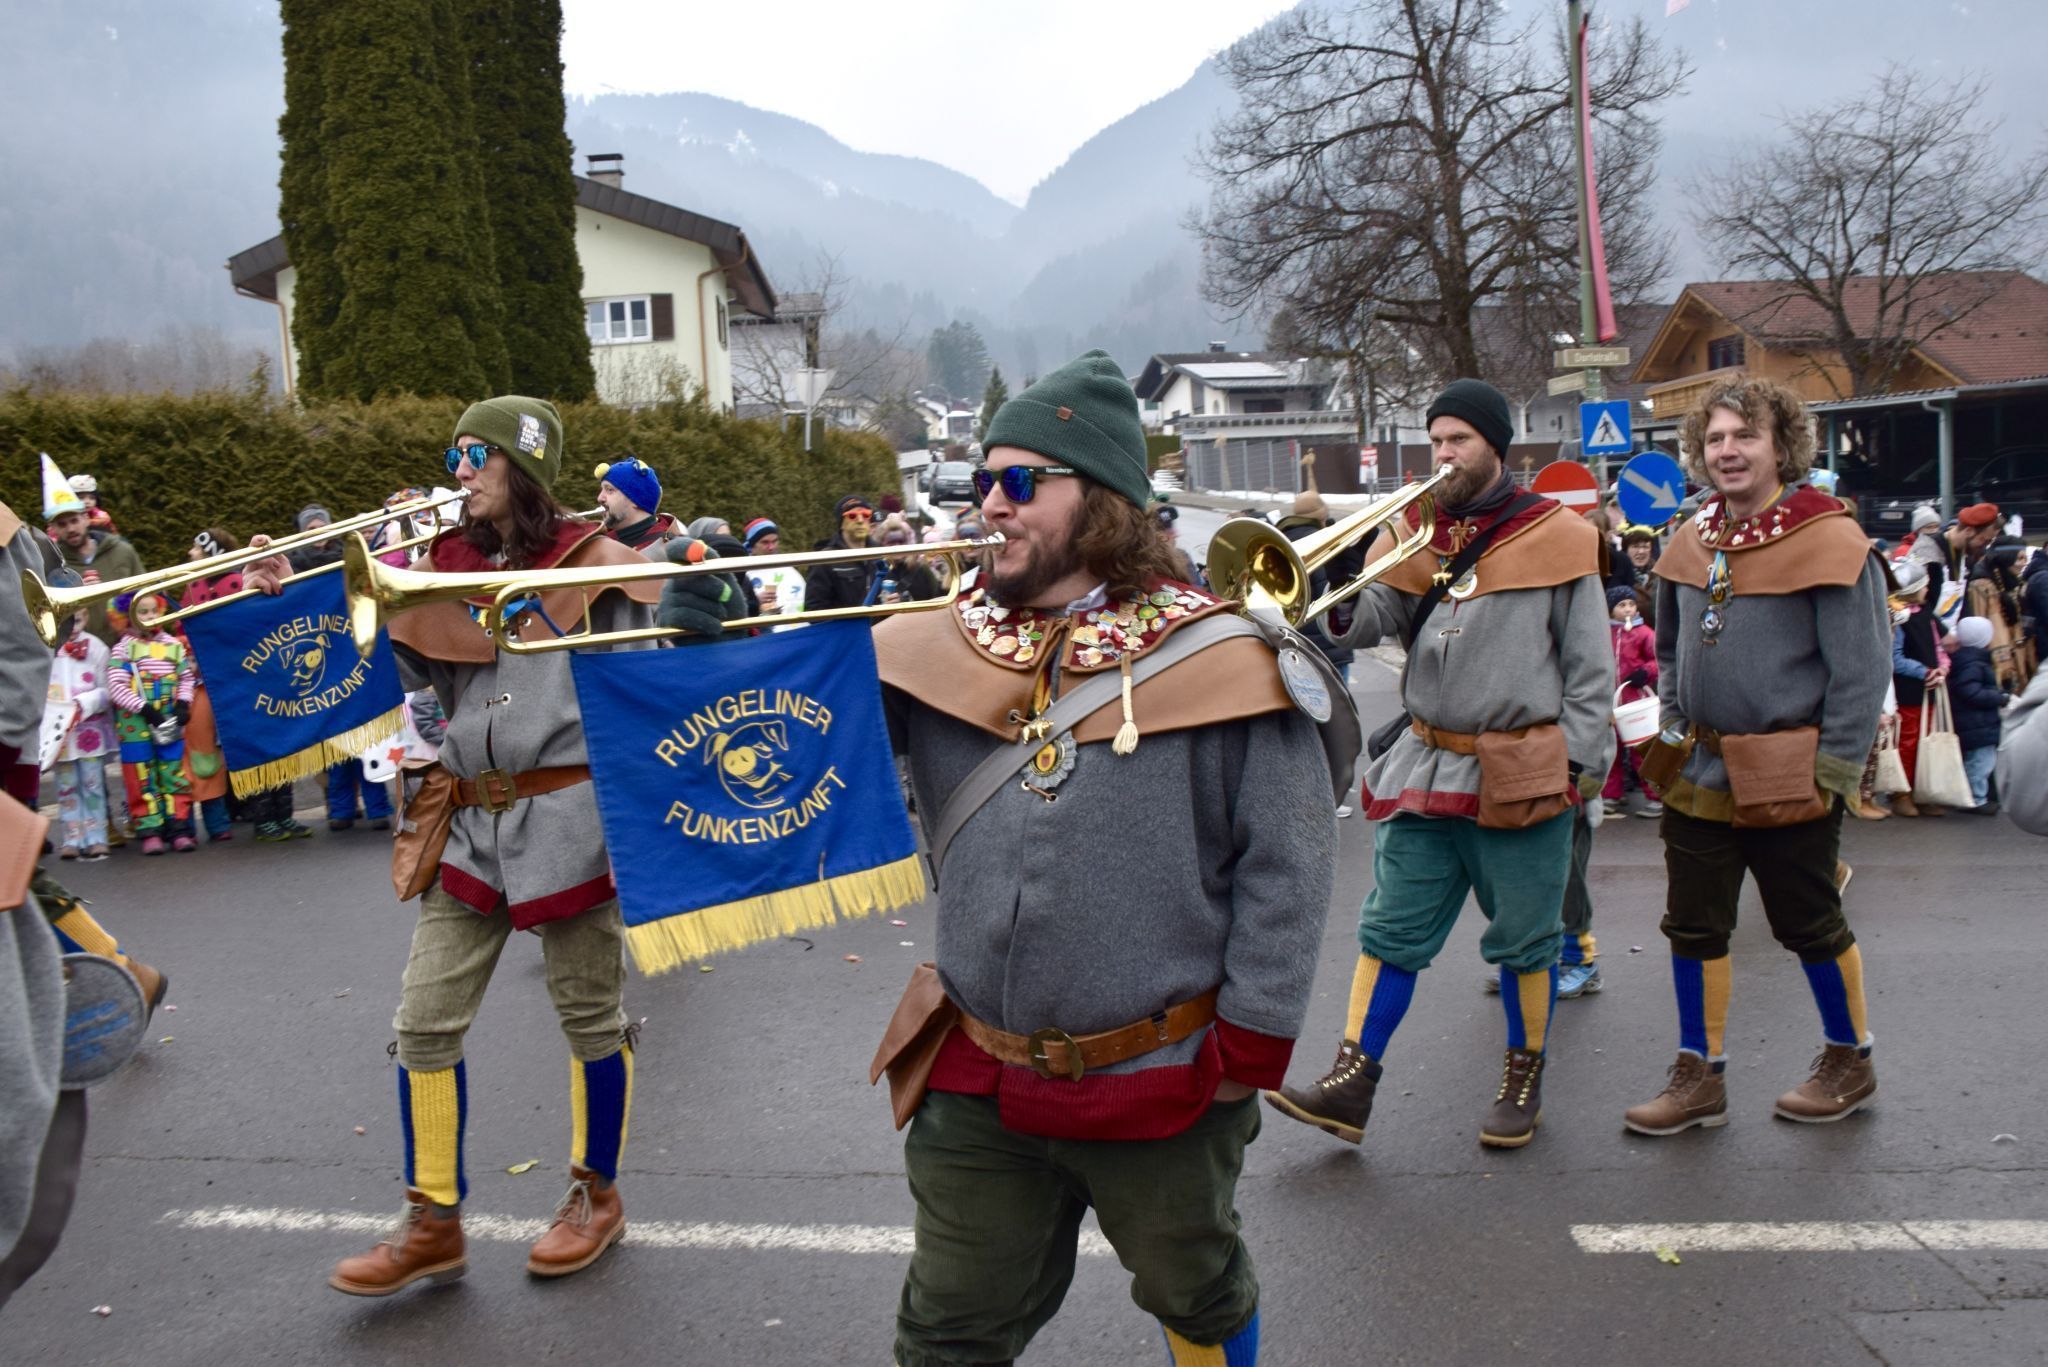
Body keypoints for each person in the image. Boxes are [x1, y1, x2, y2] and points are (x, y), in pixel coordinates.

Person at [869, 351, 1336, 1367]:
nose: (990, 502)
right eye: (985, 478)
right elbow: (804, 760)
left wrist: (1247, 1051)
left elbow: (1288, 864)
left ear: (1102, 500)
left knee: (1196, 1294)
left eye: (1019, 480)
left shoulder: (1229, 658)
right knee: (943, 1332)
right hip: (976, 1074)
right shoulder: (930, 646)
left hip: (1165, 1073)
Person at [244, 396, 734, 1296]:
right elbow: (392, 670)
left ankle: (595, 1193)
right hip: (469, 821)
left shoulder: (597, 560)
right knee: (422, 1023)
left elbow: (678, 660)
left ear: (524, 464)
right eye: (455, 454)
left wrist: (708, 602)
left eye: (477, 454)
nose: (459, 470)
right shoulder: (446, 565)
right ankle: (432, 1219)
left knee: (590, 1017)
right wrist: (301, 597)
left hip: (574, 818)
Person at [1266, 378, 1612, 1152]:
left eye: (1459, 439)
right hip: (1426, 765)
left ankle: (1522, 1080)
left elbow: (1591, 670)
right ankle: (1352, 1079)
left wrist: (1579, 769)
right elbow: (1372, 619)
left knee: (1525, 939)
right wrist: (1338, 589)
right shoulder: (1417, 530)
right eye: (1436, 441)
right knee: (1390, 927)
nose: (1444, 454)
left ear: (1495, 445)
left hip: (1522, 769)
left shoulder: (1558, 535)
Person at [1622, 377, 1890, 1137]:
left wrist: (1834, 772)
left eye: (1745, 435)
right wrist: (1674, 727)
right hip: (1698, 769)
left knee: (1809, 921)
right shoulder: (1691, 536)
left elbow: (1862, 670)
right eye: (1715, 438)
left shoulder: (1830, 537)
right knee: (1692, 925)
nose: (1728, 450)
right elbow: (1671, 652)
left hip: (1791, 769)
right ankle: (1698, 1075)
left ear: (1782, 446)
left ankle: (1850, 1059)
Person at [107, 590, 198, 856]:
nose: (148, 616)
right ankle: (150, 830)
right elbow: (116, 686)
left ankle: (178, 828)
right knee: (140, 775)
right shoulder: (123, 647)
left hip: (168, 717)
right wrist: (145, 710)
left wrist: (183, 704)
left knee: (172, 772)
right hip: (134, 723)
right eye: (141, 612)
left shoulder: (173, 645)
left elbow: (186, 678)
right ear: (128, 616)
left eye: (152, 611)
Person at [46, 608, 114, 859]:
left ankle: (97, 837)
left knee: (92, 784)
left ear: (86, 618)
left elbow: (108, 691)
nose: (72, 627)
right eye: (65, 622)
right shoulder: (48, 648)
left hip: (89, 732)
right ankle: (72, 837)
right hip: (59, 734)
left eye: (76, 620)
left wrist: (85, 702)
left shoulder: (96, 648)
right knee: (66, 787)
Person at [1886, 559, 1945, 817]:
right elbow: (1895, 657)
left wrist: (1943, 667)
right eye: (1924, 586)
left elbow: (1938, 645)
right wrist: (1925, 671)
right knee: (1908, 742)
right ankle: (1901, 792)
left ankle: (1923, 791)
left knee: (1927, 742)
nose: (1927, 590)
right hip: (1910, 690)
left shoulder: (1926, 613)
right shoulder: (1899, 617)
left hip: (1930, 688)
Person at [48, 504, 145, 647]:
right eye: (62, 524)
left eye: (74, 520)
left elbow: (146, 594)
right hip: (78, 652)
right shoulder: (52, 562)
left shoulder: (122, 551)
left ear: (86, 519)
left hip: (126, 646)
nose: (71, 529)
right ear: (54, 529)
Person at [1604, 586, 1660, 818]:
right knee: (1611, 751)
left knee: (1642, 750)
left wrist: (1646, 673)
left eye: (1631, 604)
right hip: (1610, 701)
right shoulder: (1605, 634)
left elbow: (1657, 658)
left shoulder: (1644, 633)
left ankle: (1655, 796)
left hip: (1636, 700)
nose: (1628, 609)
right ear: (1611, 610)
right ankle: (1611, 795)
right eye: (1621, 605)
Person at [1948, 616, 2009, 812]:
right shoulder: (1974, 663)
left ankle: (1979, 795)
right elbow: (1970, 691)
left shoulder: (1967, 660)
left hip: (1974, 722)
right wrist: (1999, 697)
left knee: (1978, 761)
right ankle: (1975, 798)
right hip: (1977, 723)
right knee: (1980, 763)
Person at [1967, 539, 2035, 692]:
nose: (2024, 563)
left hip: (2018, 653)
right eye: (2020, 558)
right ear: (2006, 558)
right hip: (1999, 661)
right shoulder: (1981, 585)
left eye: (2025, 558)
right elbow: (1979, 623)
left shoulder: (2014, 582)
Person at [805, 495, 891, 610]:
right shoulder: (825, 560)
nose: (860, 520)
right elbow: (814, 609)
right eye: (852, 516)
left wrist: (894, 602)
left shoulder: (880, 554)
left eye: (865, 515)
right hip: (845, 622)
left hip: (880, 622)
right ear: (841, 524)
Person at [596, 458, 682, 554]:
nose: (600, 498)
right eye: (602, 490)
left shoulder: (670, 551)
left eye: (609, 490)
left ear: (634, 499)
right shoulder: (598, 542)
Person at [286, 504, 343, 575]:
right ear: (302, 532)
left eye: (323, 527)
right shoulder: (292, 561)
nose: (318, 533)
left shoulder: (344, 551)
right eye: (311, 529)